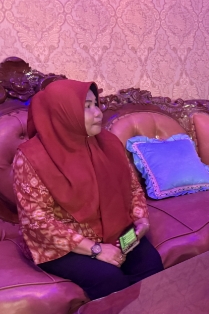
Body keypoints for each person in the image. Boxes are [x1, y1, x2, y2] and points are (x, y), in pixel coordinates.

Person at [12, 79, 164, 300]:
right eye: (86, 107)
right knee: (109, 279)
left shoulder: (108, 143)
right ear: (63, 113)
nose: (98, 113)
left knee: (151, 265)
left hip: (115, 231)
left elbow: (132, 188)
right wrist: (95, 249)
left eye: (96, 104)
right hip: (62, 245)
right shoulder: (31, 157)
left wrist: (141, 220)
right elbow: (38, 220)